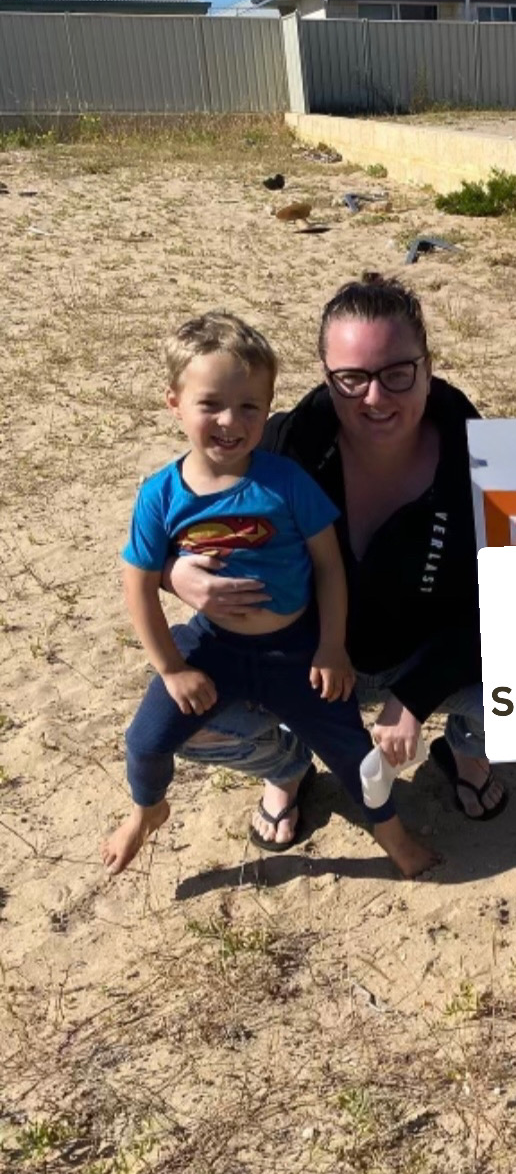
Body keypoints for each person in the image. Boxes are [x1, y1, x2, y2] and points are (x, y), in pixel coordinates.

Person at [166, 272, 507, 849]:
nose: (375, 397)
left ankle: (466, 751)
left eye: (398, 372)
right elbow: (177, 512)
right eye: (352, 378)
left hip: (428, 655)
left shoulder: (485, 462)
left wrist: (416, 696)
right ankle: (286, 765)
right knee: (181, 715)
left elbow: (506, 599)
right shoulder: (284, 447)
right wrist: (179, 571)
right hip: (308, 660)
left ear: (427, 366)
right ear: (327, 376)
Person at [102, 312, 439, 880]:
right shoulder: (161, 494)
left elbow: (330, 567)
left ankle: (396, 839)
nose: (231, 421)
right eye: (210, 404)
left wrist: (332, 647)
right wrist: (171, 668)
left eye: (249, 407)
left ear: (268, 405)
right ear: (174, 403)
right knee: (145, 739)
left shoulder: (284, 480)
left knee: (359, 762)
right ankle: (147, 810)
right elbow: (137, 581)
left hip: (297, 651)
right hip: (213, 647)